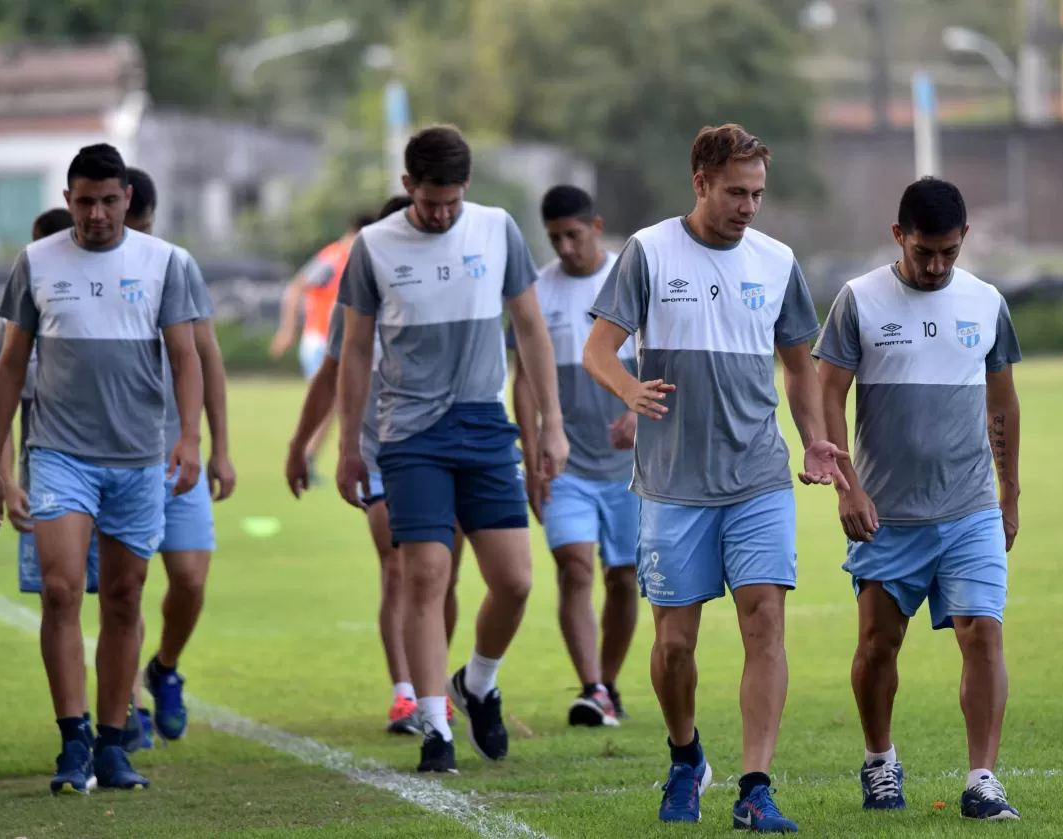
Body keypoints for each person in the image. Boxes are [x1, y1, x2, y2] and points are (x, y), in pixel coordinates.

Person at [583, 123, 846, 832]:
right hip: (671, 483)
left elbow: (799, 366)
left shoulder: (778, 260)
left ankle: (756, 786)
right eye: (736, 192)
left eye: (758, 193)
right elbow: (598, 349)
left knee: (765, 619)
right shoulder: (648, 252)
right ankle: (684, 755)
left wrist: (816, 439)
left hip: (758, 476)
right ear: (700, 183)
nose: (748, 206)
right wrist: (627, 390)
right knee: (674, 646)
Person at [336, 125, 567, 774]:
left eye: (452, 201)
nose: (441, 214)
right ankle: (435, 726)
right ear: (407, 186)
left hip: (485, 427)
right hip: (408, 434)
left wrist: (552, 424)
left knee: (516, 581)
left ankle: (479, 683)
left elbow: (530, 330)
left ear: (468, 188)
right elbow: (355, 351)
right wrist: (352, 445)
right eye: (429, 201)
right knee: (426, 574)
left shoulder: (496, 229)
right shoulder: (374, 246)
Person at [0, 143, 203, 794]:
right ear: (69, 198)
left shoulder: (165, 263)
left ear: (127, 198)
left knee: (126, 598)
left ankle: (112, 742)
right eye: (84, 201)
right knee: (60, 589)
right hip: (60, 453)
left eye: (108, 200)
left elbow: (186, 357)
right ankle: (72, 740)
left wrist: (190, 437)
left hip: (138, 459)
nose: (96, 213)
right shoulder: (37, 262)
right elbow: (11, 366)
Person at [814, 178, 1024, 821]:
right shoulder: (859, 300)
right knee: (879, 646)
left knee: (983, 634)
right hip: (887, 516)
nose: (935, 266)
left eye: (948, 253)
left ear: (963, 240)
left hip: (969, 510)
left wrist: (1008, 494)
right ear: (898, 234)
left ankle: (983, 779)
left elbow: (1003, 402)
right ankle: (880, 762)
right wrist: (848, 488)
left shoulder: (986, 302)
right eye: (923, 252)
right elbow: (828, 395)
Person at [288, 194, 463, 736]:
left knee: (442, 577)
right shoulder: (361, 299)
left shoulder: (454, 286)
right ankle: (406, 694)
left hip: (447, 451)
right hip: (382, 453)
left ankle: (434, 684)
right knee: (398, 570)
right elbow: (332, 374)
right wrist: (304, 445)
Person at [512, 185, 637, 727]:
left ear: (596, 225)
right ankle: (591, 688)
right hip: (565, 465)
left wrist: (638, 406)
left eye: (573, 234)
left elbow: (667, 355)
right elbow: (523, 381)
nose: (564, 246)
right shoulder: (537, 290)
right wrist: (531, 447)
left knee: (624, 577)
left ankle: (608, 682)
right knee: (575, 567)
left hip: (632, 469)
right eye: (555, 237)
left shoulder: (631, 282)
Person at [123, 166, 237, 744]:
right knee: (128, 583)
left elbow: (208, 356)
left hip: (177, 452)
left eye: (141, 224)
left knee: (190, 579)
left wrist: (218, 446)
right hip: (117, 455)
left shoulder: (174, 264)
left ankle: (163, 668)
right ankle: (127, 703)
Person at [271, 213, 377, 481]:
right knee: (332, 402)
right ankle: (307, 457)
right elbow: (297, 287)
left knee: (339, 406)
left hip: (337, 342)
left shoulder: (357, 260)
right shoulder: (334, 258)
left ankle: (310, 458)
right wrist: (288, 329)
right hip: (322, 341)